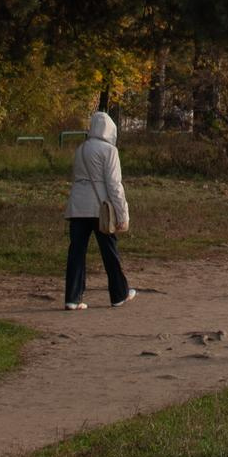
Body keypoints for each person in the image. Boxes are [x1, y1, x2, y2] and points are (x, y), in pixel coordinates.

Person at [63, 111, 133, 311]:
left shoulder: (81, 148)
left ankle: (72, 297)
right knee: (109, 251)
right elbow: (114, 185)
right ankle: (119, 294)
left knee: (76, 252)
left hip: (77, 206)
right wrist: (122, 214)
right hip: (100, 207)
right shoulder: (109, 151)